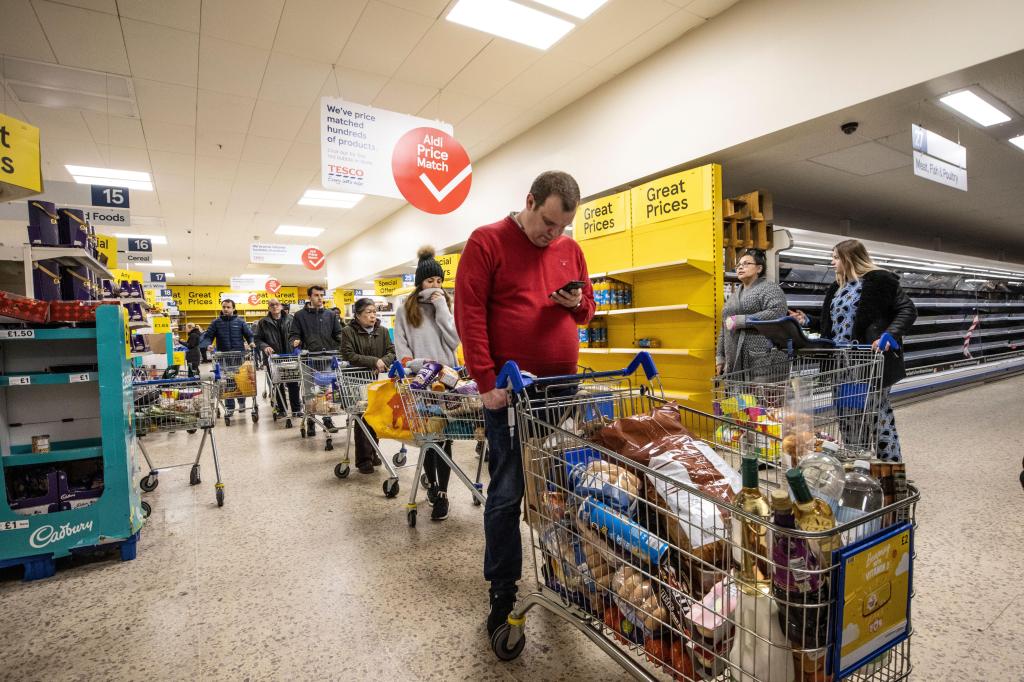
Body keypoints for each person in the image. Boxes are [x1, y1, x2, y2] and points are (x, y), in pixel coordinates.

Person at [454, 170, 595, 636]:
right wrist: (484, 379)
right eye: (548, 223)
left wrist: (575, 303)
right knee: (509, 490)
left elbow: (588, 309)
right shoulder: (487, 241)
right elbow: (469, 312)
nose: (552, 235)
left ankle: (563, 569)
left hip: (563, 390)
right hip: (512, 392)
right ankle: (503, 589)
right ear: (530, 201)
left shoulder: (570, 249)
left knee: (562, 487)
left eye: (561, 228)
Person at [790, 239, 917, 461]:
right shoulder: (836, 288)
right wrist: (808, 319)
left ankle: (891, 470)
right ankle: (858, 466)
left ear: (850, 258)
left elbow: (907, 309)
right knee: (849, 418)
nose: (832, 262)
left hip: (868, 362)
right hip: (840, 366)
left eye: (836, 257)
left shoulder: (880, 281)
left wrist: (890, 334)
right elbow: (833, 325)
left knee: (876, 416)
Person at [394, 246, 461, 522]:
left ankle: (442, 494)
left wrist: (442, 306)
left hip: (446, 381)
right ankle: (432, 484)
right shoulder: (405, 310)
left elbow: (455, 340)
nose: (435, 285)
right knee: (427, 436)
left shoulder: (445, 305)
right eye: (430, 280)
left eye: (438, 281)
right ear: (420, 281)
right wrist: (413, 364)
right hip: (420, 380)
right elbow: (401, 346)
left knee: (444, 437)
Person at [340, 298, 396, 474]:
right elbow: (348, 354)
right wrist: (374, 361)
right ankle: (363, 459)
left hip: (378, 380)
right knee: (363, 417)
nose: (373, 316)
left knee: (376, 416)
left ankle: (373, 452)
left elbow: (392, 351)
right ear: (357, 315)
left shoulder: (383, 331)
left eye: (374, 312)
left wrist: (383, 361)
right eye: (368, 312)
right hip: (357, 380)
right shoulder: (348, 331)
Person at [715, 248, 788, 379]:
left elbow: (777, 312)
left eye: (746, 264)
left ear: (759, 268)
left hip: (763, 360)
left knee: (762, 398)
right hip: (735, 362)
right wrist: (720, 357)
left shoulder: (769, 288)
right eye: (738, 265)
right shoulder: (734, 296)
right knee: (742, 399)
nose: (740, 267)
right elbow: (724, 327)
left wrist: (743, 321)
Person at [290, 285, 344, 431]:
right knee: (309, 391)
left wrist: (344, 342)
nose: (319, 298)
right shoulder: (300, 315)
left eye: (321, 295)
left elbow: (337, 333)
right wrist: (295, 341)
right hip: (309, 358)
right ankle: (311, 420)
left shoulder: (330, 315)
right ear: (309, 297)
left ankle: (327, 419)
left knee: (325, 390)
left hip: (327, 357)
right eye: (316, 295)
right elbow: (294, 334)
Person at [200, 299, 254, 418]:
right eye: (224, 307)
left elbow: (249, 335)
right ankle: (229, 408)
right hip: (223, 357)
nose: (225, 309)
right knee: (227, 381)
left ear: (233, 309)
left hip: (239, 355)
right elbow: (208, 336)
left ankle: (241, 403)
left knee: (240, 380)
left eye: (228, 307)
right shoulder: (216, 322)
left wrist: (251, 342)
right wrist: (208, 344)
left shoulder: (240, 322)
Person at [255, 298, 301, 420]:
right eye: (271, 305)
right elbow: (258, 339)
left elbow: (298, 334)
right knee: (277, 384)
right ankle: (281, 409)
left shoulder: (291, 319)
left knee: (293, 383)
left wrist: (297, 341)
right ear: (268, 308)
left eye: (276, 304)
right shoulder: (263, 322)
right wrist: (265, 346)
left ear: (281, 306)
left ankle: (296, 409)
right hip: (273, 359)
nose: (274, 306)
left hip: (290, 356)